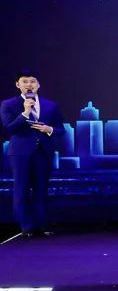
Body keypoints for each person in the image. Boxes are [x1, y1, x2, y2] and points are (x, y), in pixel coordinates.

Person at [1, 71, 64, 237]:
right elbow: (9, 128)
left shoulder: (50, 105)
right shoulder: (9, 104)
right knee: (21, 189)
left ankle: (41, 225)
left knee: (41, 190)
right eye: (25, 81)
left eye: (33, 81)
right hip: (20, 153)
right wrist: (25, 113)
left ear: (38, 85)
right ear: (18, 85)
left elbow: (61, 129)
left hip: (43, 152)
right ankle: (26, 227)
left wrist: (49, 129)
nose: (29, 84)